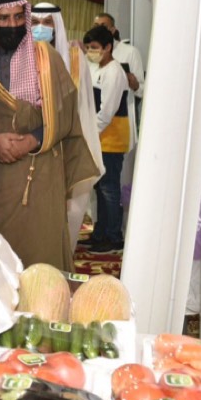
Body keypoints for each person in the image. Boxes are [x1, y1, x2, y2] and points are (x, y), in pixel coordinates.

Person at [0, 0, 99, 269]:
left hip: (40, 173)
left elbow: (65, 113)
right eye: (3, 18)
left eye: (17, 17)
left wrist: (33, 139)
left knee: (40, 259)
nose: (12, 25)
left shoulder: (47, 58)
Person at [31, 2, 104, 258]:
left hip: (69, 147)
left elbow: (84, 106)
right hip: (34, 149)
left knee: (70, 213)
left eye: (47, 22)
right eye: (35, 22)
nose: (41, 27)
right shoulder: (23, 59)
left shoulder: (74, 58)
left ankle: (61, 265)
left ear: (57, 26)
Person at [82, 25, 131, 252]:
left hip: (110, 138)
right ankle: (100, 233)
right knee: (100, 188)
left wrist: (90, 134)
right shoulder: (98, 68)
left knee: (109, 188)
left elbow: (107, 111)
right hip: (100, 137)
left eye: (94, 47)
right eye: (88, 48)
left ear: (108, 47)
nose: (90, 52)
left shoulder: (114, 71)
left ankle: (113, 236)